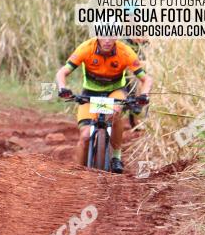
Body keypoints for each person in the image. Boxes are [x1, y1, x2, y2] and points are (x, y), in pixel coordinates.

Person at [55, 36, 153, 173]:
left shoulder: (125, 52)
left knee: (115, 110)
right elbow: (62, 72)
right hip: (89, 95)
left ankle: (116, 157)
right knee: (85, 137)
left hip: (115, 92)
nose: (107, 40)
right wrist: (62, 88)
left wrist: (144, 95)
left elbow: (146, 79)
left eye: (111, 36)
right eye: (103, 35)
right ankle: (77, 174)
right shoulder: (86, 48)